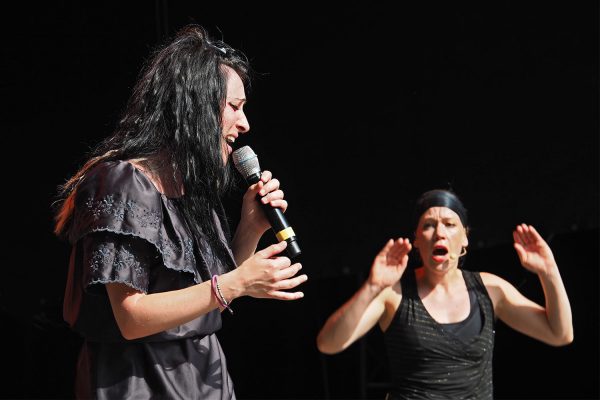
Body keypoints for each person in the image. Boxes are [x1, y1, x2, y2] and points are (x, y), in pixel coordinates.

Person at [53, 24, 307, 399]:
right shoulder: (122, 182)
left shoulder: (192, 194)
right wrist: (236, 284)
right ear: (198, 106)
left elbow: (207, 292)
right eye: (234, 107)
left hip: (204, 379)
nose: (245, 123)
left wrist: (250, 229)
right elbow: (131, 317)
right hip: (141, 383)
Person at [316, 189, 573, 399]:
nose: (439, 232)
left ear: (465, 239)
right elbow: (328, 343)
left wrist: (548, 271)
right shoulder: (394, 295)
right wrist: (372, 287)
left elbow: (559, 334)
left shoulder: (490, 289)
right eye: (428, 225)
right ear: (416, 239)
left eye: (450, 225)